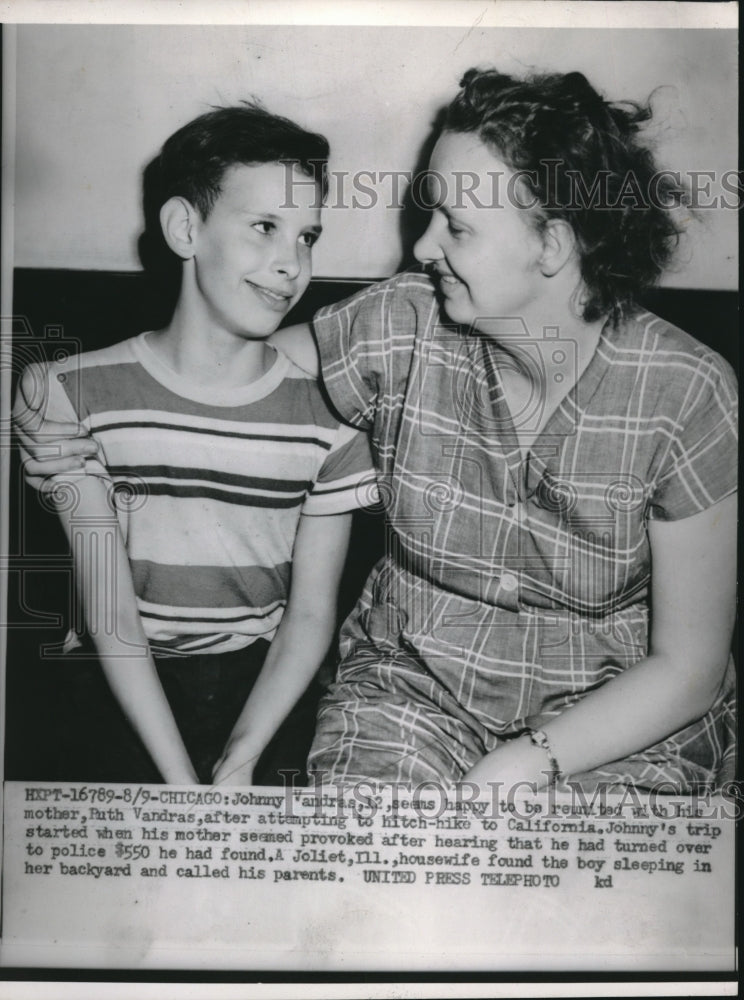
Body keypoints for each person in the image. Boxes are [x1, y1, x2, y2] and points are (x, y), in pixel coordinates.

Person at [19, 69, 737, 793]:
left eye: (455, 226)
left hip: (615, 722)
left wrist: (531, 760)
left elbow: (688, 666)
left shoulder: (685, 393)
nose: (422, 247)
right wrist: (37, 404)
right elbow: (226, 369)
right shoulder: (401, 324)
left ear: (551, 245)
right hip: (411, 697)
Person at [13, 104, 376, 786]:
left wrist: (240, 756)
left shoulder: (332, 416)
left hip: (261, 684)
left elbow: (309, 615)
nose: (290, 263)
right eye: (265, 227)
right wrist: (185, 789)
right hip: (114, 674)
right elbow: (111, 615)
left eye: (307, 237)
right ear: (185, 227)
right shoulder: (69, 393)